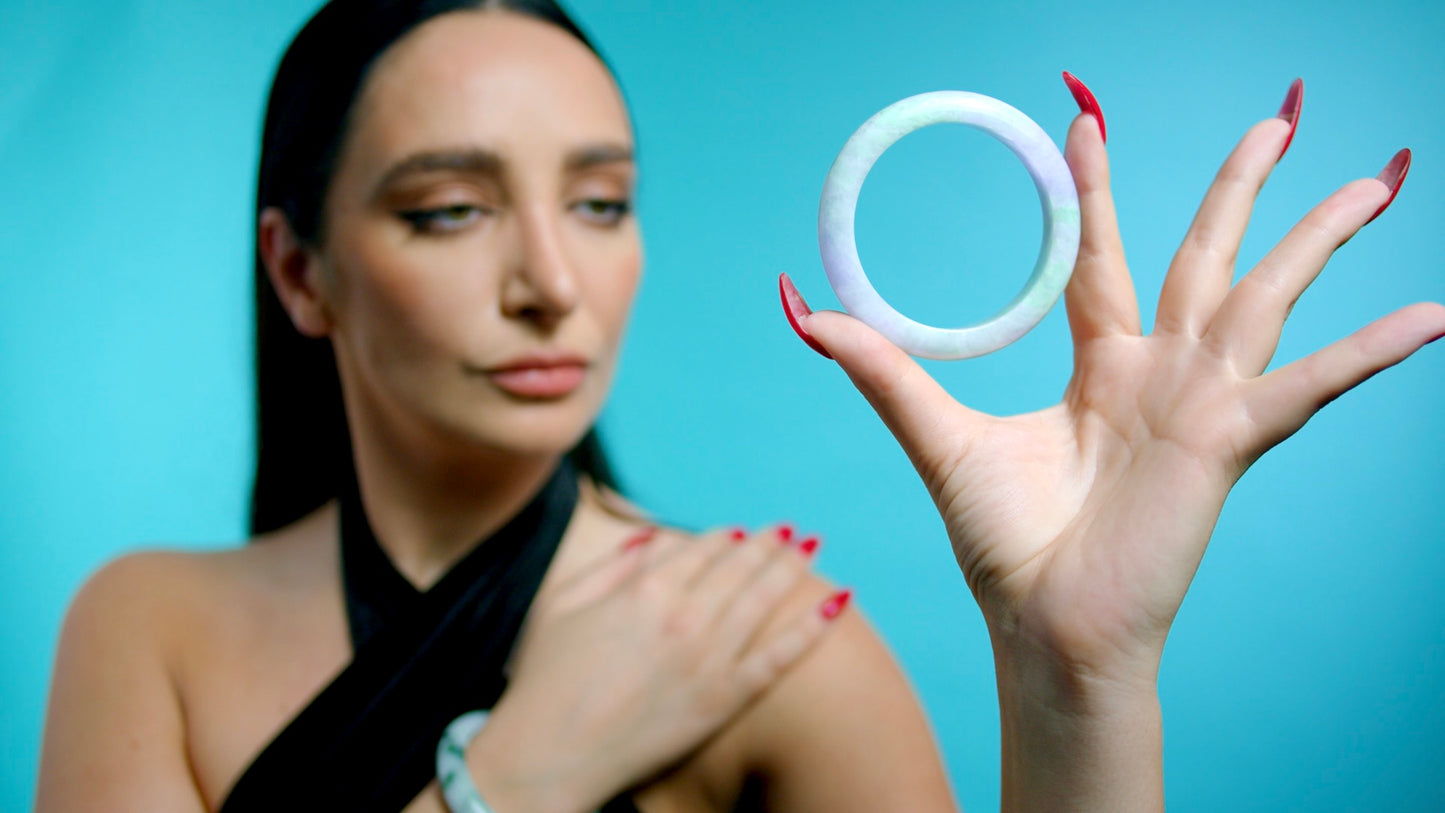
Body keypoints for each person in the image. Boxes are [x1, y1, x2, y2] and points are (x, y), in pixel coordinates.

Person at [34, 0, 1441, 811]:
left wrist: (1077, 675)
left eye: (601, 203)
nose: (552, 284)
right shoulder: (148, 627)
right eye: (452, 209)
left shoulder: (765, 637)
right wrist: (516, 772)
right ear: (301, 271)